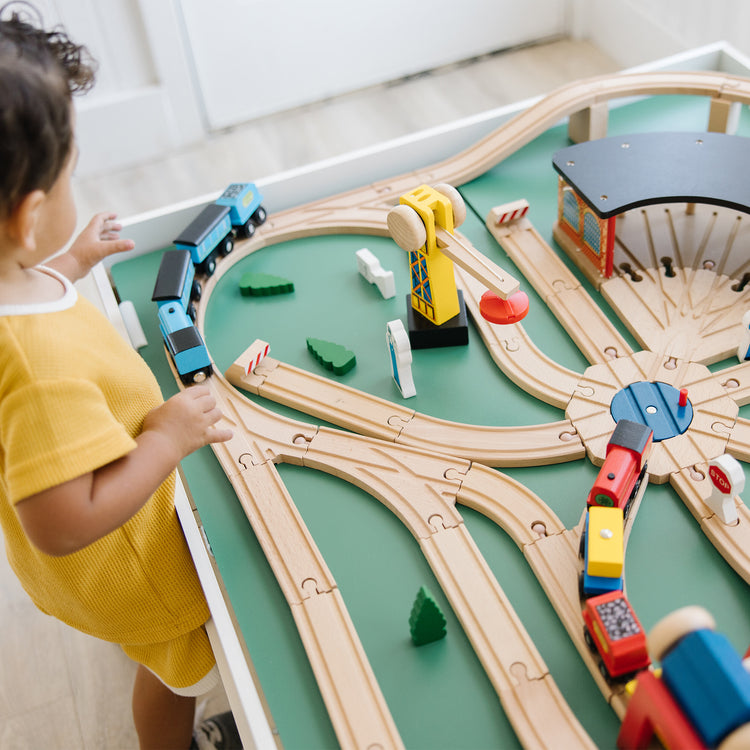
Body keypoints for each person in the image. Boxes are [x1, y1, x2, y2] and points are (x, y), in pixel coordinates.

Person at [0, 4, 240, 749]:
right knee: (179, 674)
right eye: (72, 170)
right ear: (27, 213)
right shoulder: (38, 368)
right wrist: (166, 438)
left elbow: (29, 288)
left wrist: (69, 262)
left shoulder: (15, 280)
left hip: (109, 551)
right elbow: (63, 522)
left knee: (163, 662)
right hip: (134, 567)